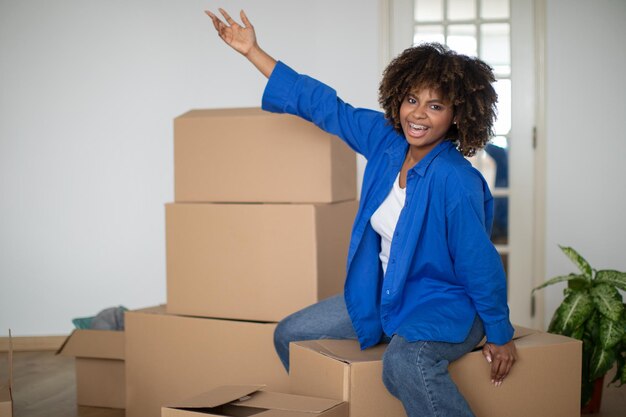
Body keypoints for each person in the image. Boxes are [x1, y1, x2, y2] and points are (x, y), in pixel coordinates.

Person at [206, 8, 517, 417]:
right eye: (411, 100)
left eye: (435, 106)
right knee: (290, 334)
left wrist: (499, 332)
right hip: (387, 292)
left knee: (403, 362)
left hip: (445, 302)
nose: (418, 114)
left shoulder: (456, 180)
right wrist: (253, 51)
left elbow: (480, 263)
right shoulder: (385, 141)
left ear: (457, 116)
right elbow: (325, 106)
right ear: (398, 98)